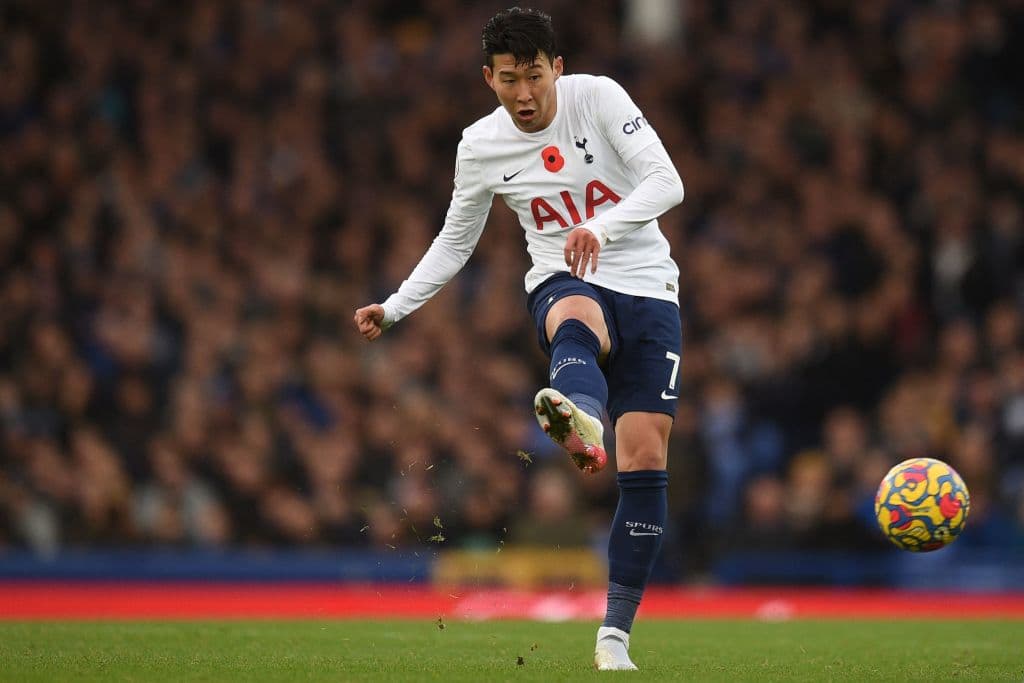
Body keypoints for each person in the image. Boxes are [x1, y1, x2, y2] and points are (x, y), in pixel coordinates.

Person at [354, 7, 684, 671]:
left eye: (535, 75)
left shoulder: (599, 97)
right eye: (510, 79)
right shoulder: (480, 148)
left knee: (645, 455)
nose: (525, 93)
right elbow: (456, 240)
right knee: (575, 317)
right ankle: (580, 416)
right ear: (489, 78)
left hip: (649, 286)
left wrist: (605, 227)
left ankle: (614, 633)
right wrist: (394, 306)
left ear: (556, 67)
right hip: (562, 277)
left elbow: (666, 182)